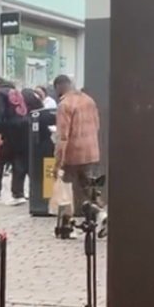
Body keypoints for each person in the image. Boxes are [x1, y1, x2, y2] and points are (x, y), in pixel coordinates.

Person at [51, 74, 103, 236]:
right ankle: (102, 216)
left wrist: (57, 161)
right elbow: (97, 125)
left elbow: (63, 136)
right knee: (90, 188)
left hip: (72, 155)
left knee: (65, 191)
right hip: (91, 152)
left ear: (59, 87)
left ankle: (66, 227)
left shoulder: (65, 105)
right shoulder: (89, 100)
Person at [0, 77, 33, 205]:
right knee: (19, 161)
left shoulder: (0, 93)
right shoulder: (16, 92)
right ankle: (18, 192)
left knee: (0, 161)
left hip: (10, 129)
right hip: (24, 127)